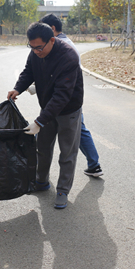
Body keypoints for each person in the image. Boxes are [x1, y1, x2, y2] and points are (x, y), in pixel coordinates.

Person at [7, 22, 83, 209]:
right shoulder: (35, 53)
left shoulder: (68, 56)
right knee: (42, 147)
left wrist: (39, 121)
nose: (35, 51)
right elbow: (28, 72)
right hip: (48, 107)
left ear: (52, 40)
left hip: (68, 110)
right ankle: (41, 181)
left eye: (39, 47)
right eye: (31, 47)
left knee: (67, 152)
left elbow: (62, 95)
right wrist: (18, 88)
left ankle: (63, 190)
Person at [39, 13, 103, 177]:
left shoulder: (64, 47)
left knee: (76, 134)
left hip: (66, 101)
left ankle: (94, 164)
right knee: (80, 130)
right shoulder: (60, 45)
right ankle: (94, 164)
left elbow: (62, 81)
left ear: (52, 29)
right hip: (63, 99)